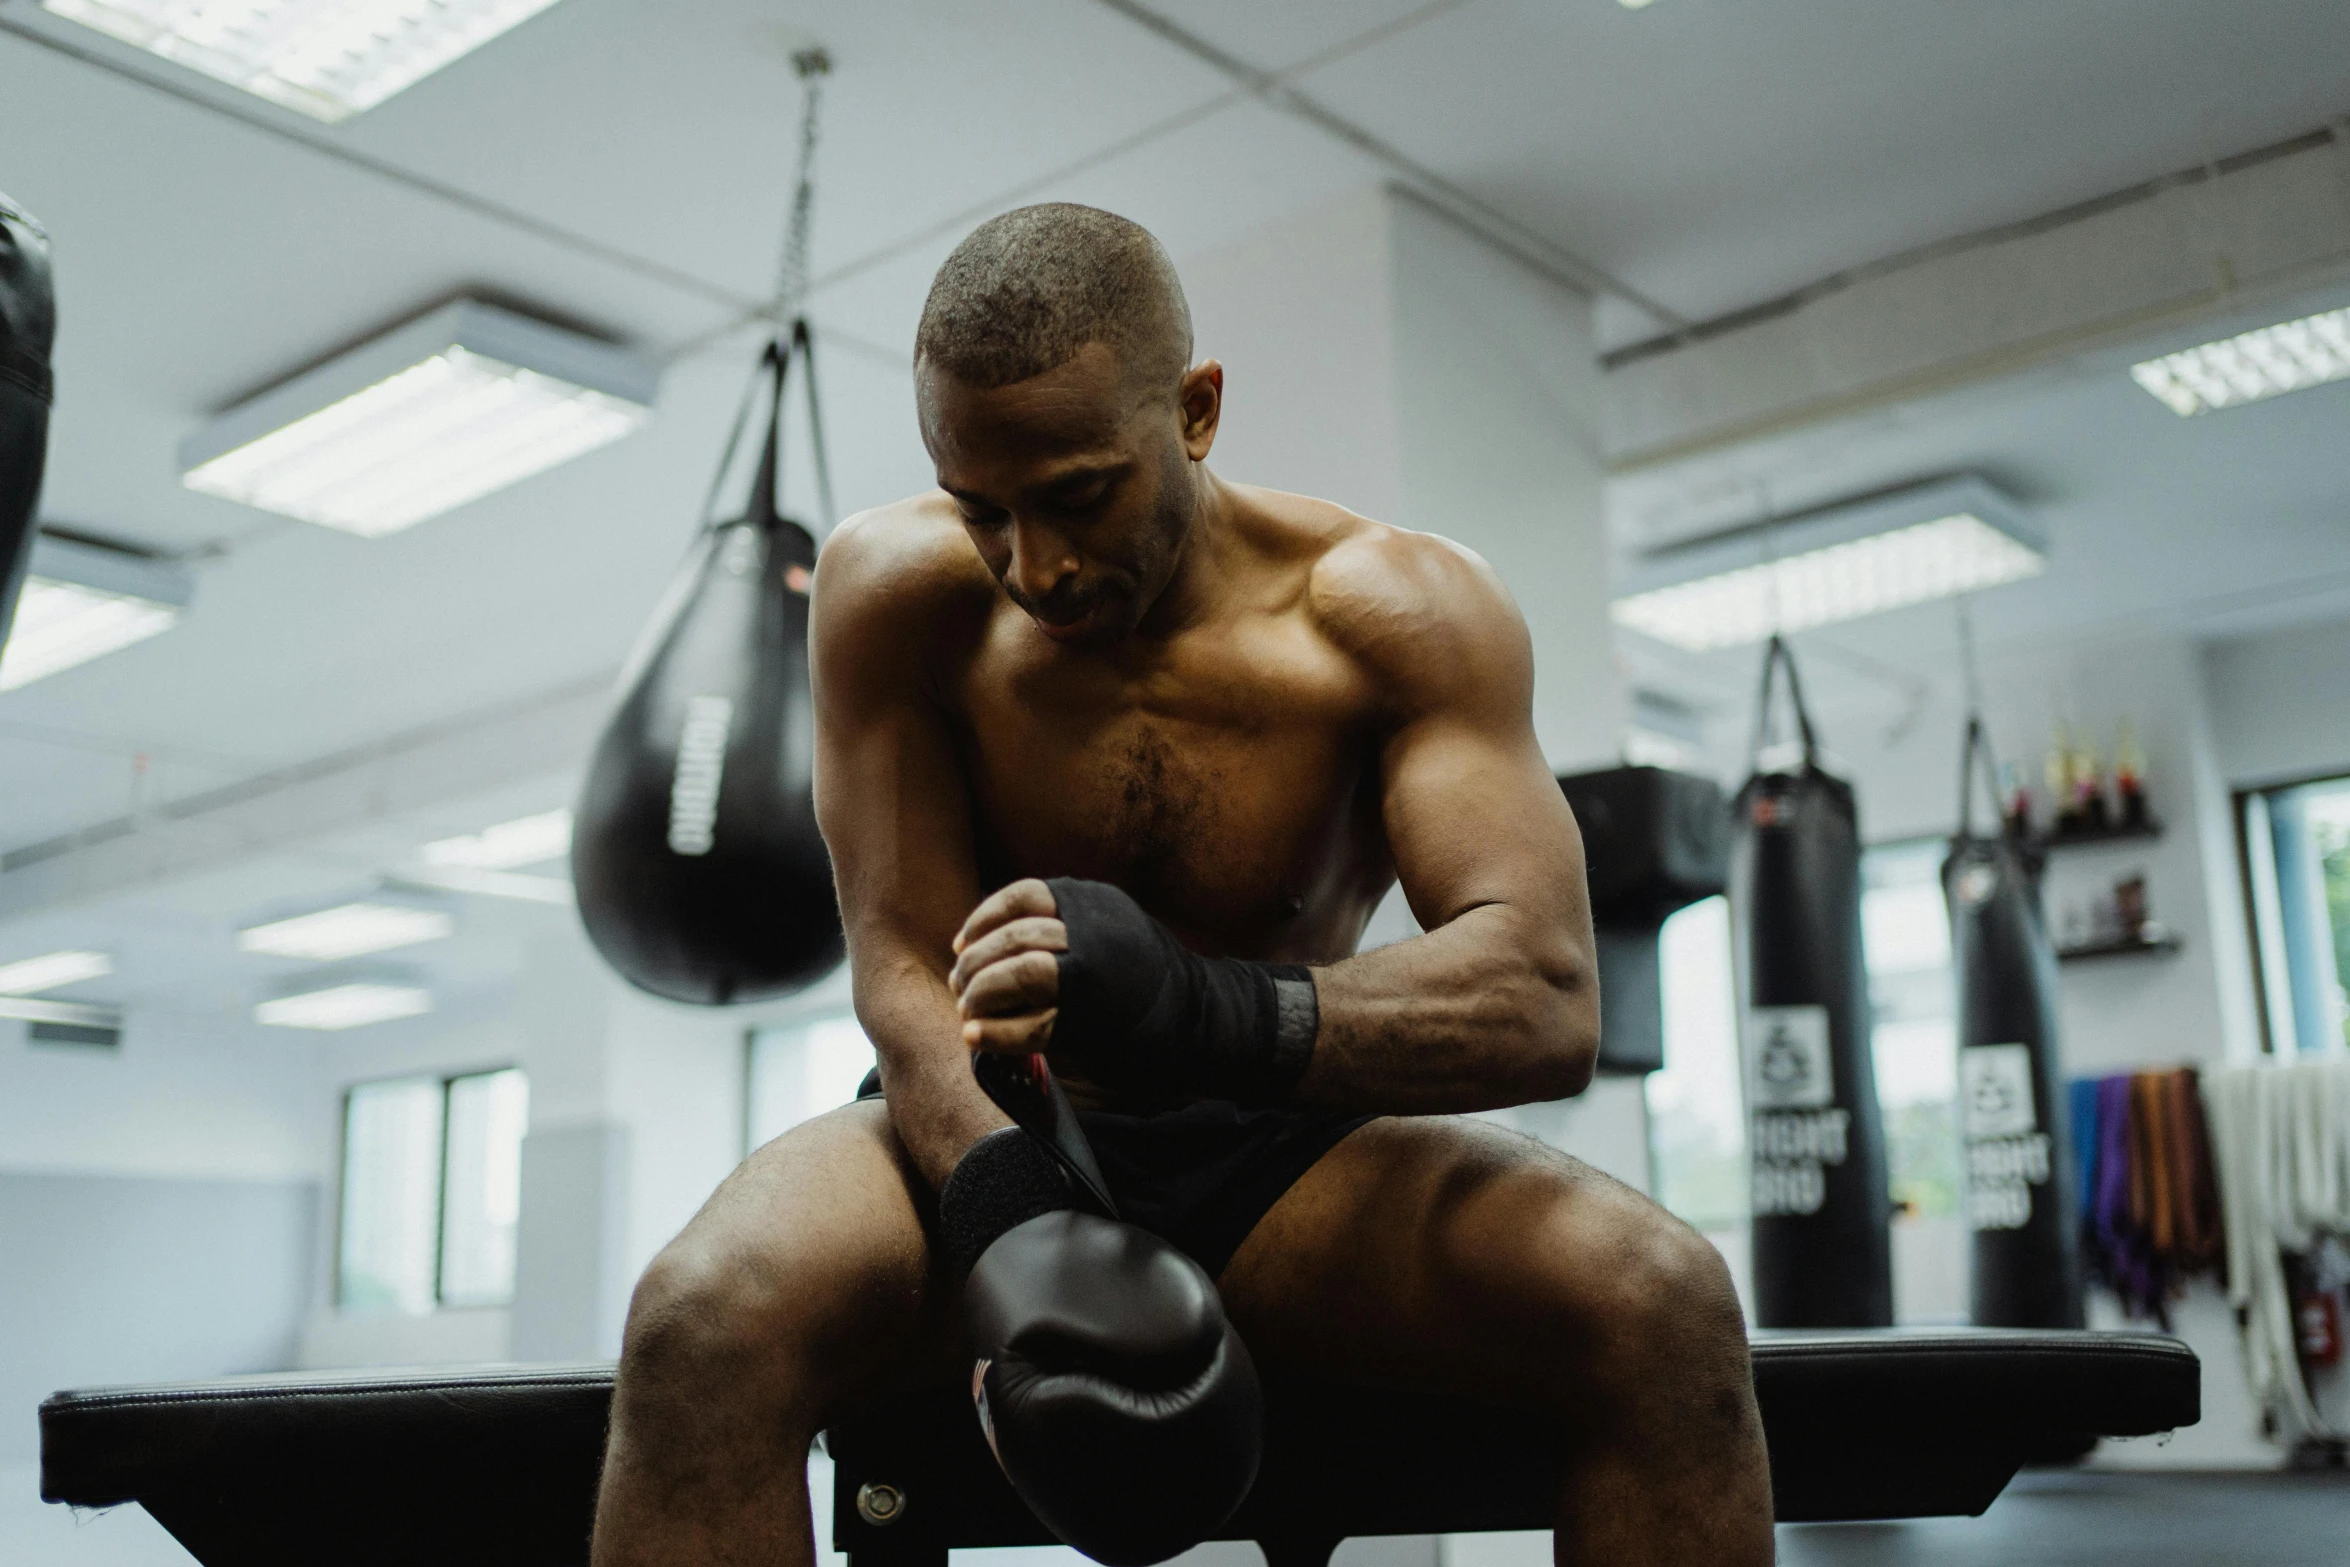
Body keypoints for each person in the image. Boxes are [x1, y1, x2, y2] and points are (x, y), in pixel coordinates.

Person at [590, 203, 1771, 1567]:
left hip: (1287, 1148)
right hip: (978, 1121)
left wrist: (1198, 1007)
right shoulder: (891, 593)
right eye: (983, 511)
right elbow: (897, 961)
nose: (1034, 567)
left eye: (1080, 493)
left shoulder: (1393, 614)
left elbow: (1544, 991)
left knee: (1661, 1299)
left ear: (1195, 413)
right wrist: (1008, 1206)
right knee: (699, 1316)